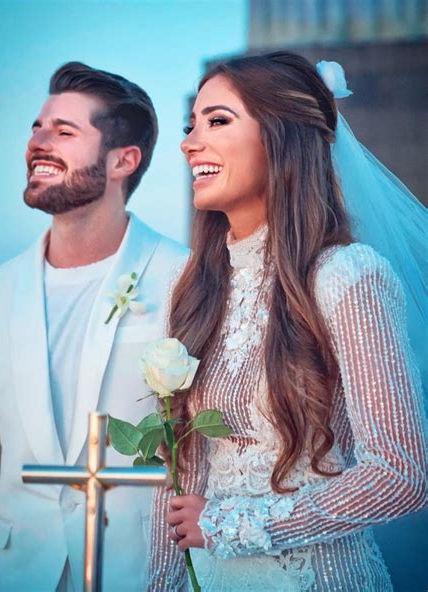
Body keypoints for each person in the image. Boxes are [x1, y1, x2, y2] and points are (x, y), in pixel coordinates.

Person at [148, 52, 426, 591]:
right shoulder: (186, 288)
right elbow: (180, 482)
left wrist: (231, 525)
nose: (189, 143)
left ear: (280, 136)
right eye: (192, 124)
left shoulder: (348, 278)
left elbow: (401, 476)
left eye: (218, 121)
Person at [0, 62, 188, 592]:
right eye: (37, 128)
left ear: (123, 160)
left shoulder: (186, 280)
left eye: (64, 131)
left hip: (142, 574)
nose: (38, 142)